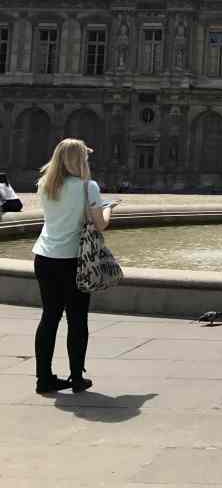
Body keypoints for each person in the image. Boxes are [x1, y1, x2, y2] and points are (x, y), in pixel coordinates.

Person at [32, 138, 116, 394]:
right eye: (85, 158)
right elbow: (100, 224)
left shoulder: (45, 184)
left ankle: (43, 380)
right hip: (73, 261)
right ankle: (77, 379)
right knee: (77, 319)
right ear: (79, 160)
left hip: (44, 257)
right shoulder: (87, 187)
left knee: (49, 317)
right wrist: (109, 208)